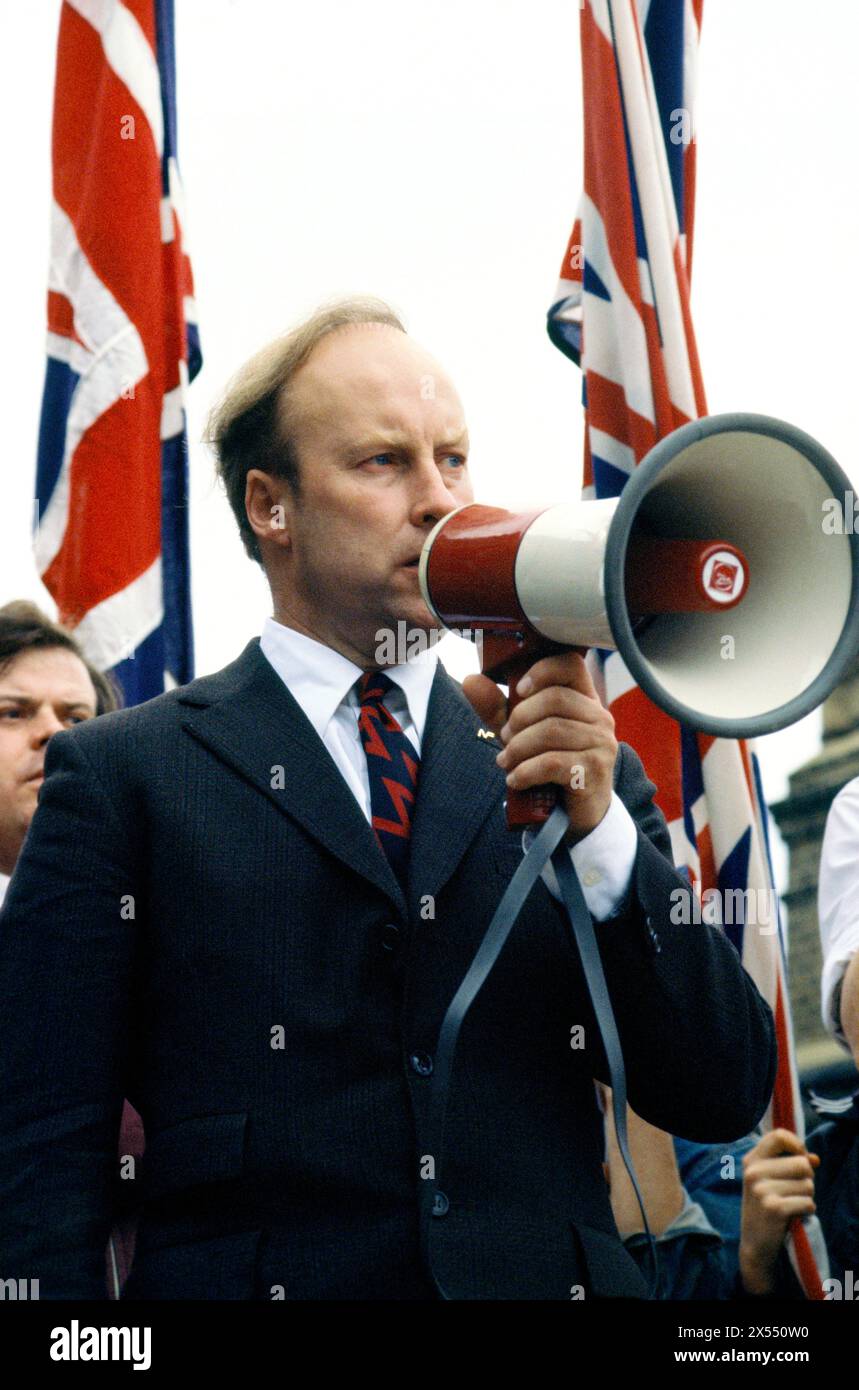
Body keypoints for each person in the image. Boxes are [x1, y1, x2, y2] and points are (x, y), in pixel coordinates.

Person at [0, 296, 777, 1301]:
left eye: (451, 459)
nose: (436, 497)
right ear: (269, 505)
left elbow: (719, 1086)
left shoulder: (572, 763)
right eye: (384, 462)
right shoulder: (122, 778)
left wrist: (606, 844)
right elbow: (42, 1161)